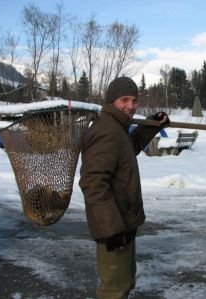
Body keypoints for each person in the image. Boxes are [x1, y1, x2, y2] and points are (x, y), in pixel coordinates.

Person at [79, 76, 169, 298]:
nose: (131, 106)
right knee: (114, 291)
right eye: (124, 100)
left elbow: (130, 147)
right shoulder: (106, 131)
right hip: (114, 228)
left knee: (124, 284)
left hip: (123, 223)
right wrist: (112, 230)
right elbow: (93, 183)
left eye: (134, 100)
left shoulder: (118, 128)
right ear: (112, 101)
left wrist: (151, 125)